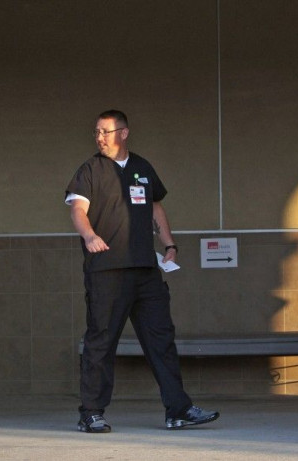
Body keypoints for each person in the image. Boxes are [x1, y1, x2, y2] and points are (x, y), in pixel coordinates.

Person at [65, 110, 219, 432]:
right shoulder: (90, 170)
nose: (99, 138)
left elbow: (155, 206)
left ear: (124, 133)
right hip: (107, 269)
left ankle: (178, 409)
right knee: (101, 340)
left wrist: (169, 244)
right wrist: (89, 235)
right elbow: (78, 210)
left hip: (146, 270)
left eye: (106, 132)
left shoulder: (142, 168)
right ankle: (91, 412)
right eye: (96, 132)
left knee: (161, 339)